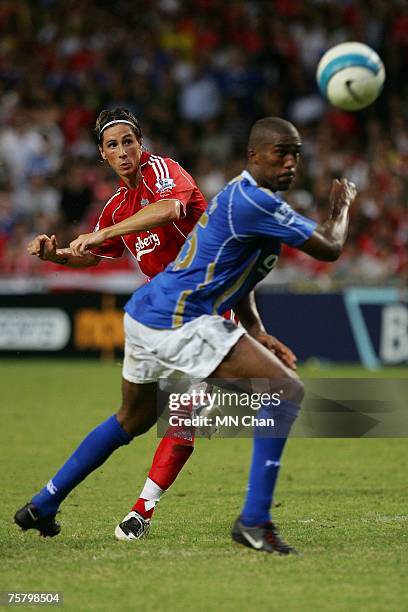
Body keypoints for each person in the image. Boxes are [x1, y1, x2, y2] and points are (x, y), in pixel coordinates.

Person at [20, 108, 296, 542]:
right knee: (153, 414)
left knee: (165, 414)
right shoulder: (115, 207)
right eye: (113, 145)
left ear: (140, 143)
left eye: (129, 141)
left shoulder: (163, 172)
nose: (123, 151)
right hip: (162, 319)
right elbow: (92, 255)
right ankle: (251, 519)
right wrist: (57, 254)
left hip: (198, 311)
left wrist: (102, 234)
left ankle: (113, 508)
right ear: (102, 155)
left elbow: (169, 210)